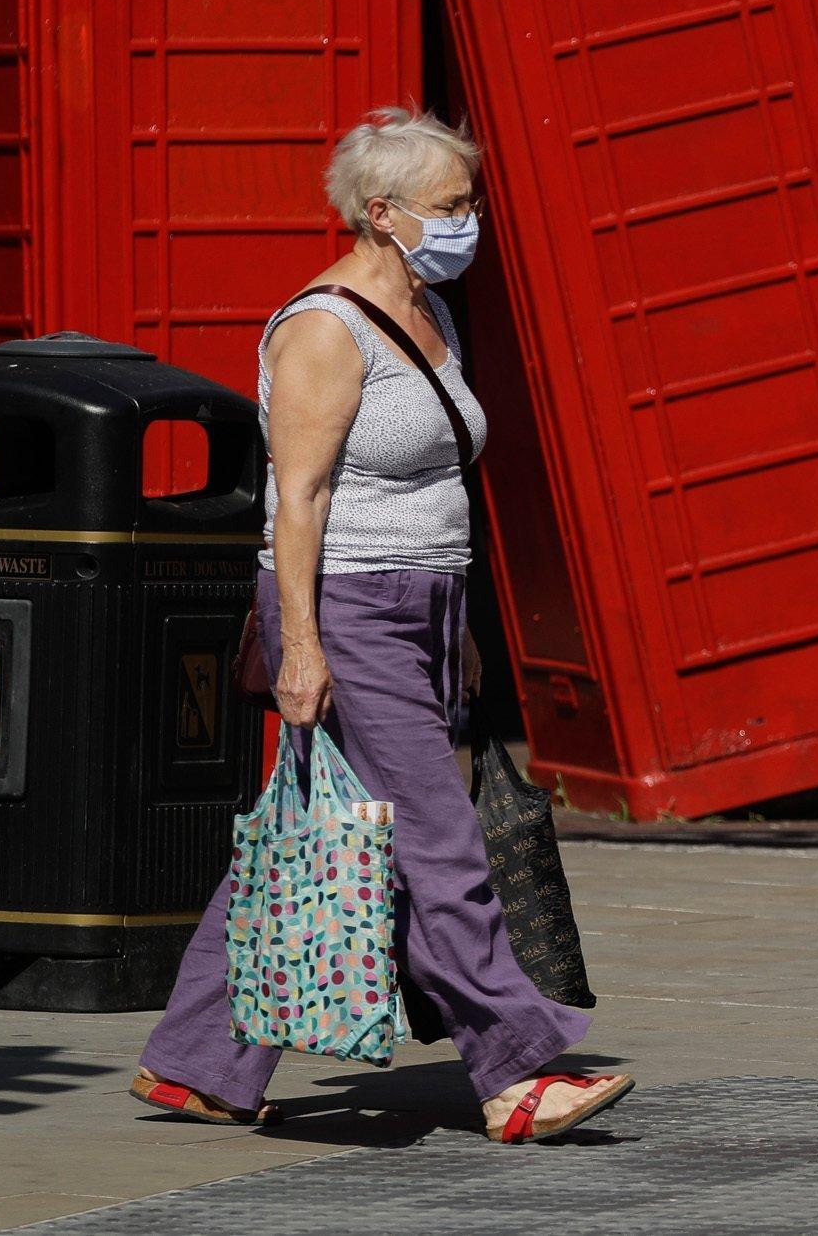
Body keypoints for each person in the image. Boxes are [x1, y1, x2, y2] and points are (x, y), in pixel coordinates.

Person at [131, 108, 629, 1144]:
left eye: (471, 202)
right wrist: (302, 645)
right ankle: (515, 1069)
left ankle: (194, 1063)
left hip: (427, 601)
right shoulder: (322, 326)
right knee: (439, 839)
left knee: (318, 829)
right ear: (381, 210)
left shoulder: (435, 310)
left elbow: (445, 472)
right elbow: (297, 498)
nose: (469, 222)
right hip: (347, 602)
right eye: (452, 206)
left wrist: (465, 620)